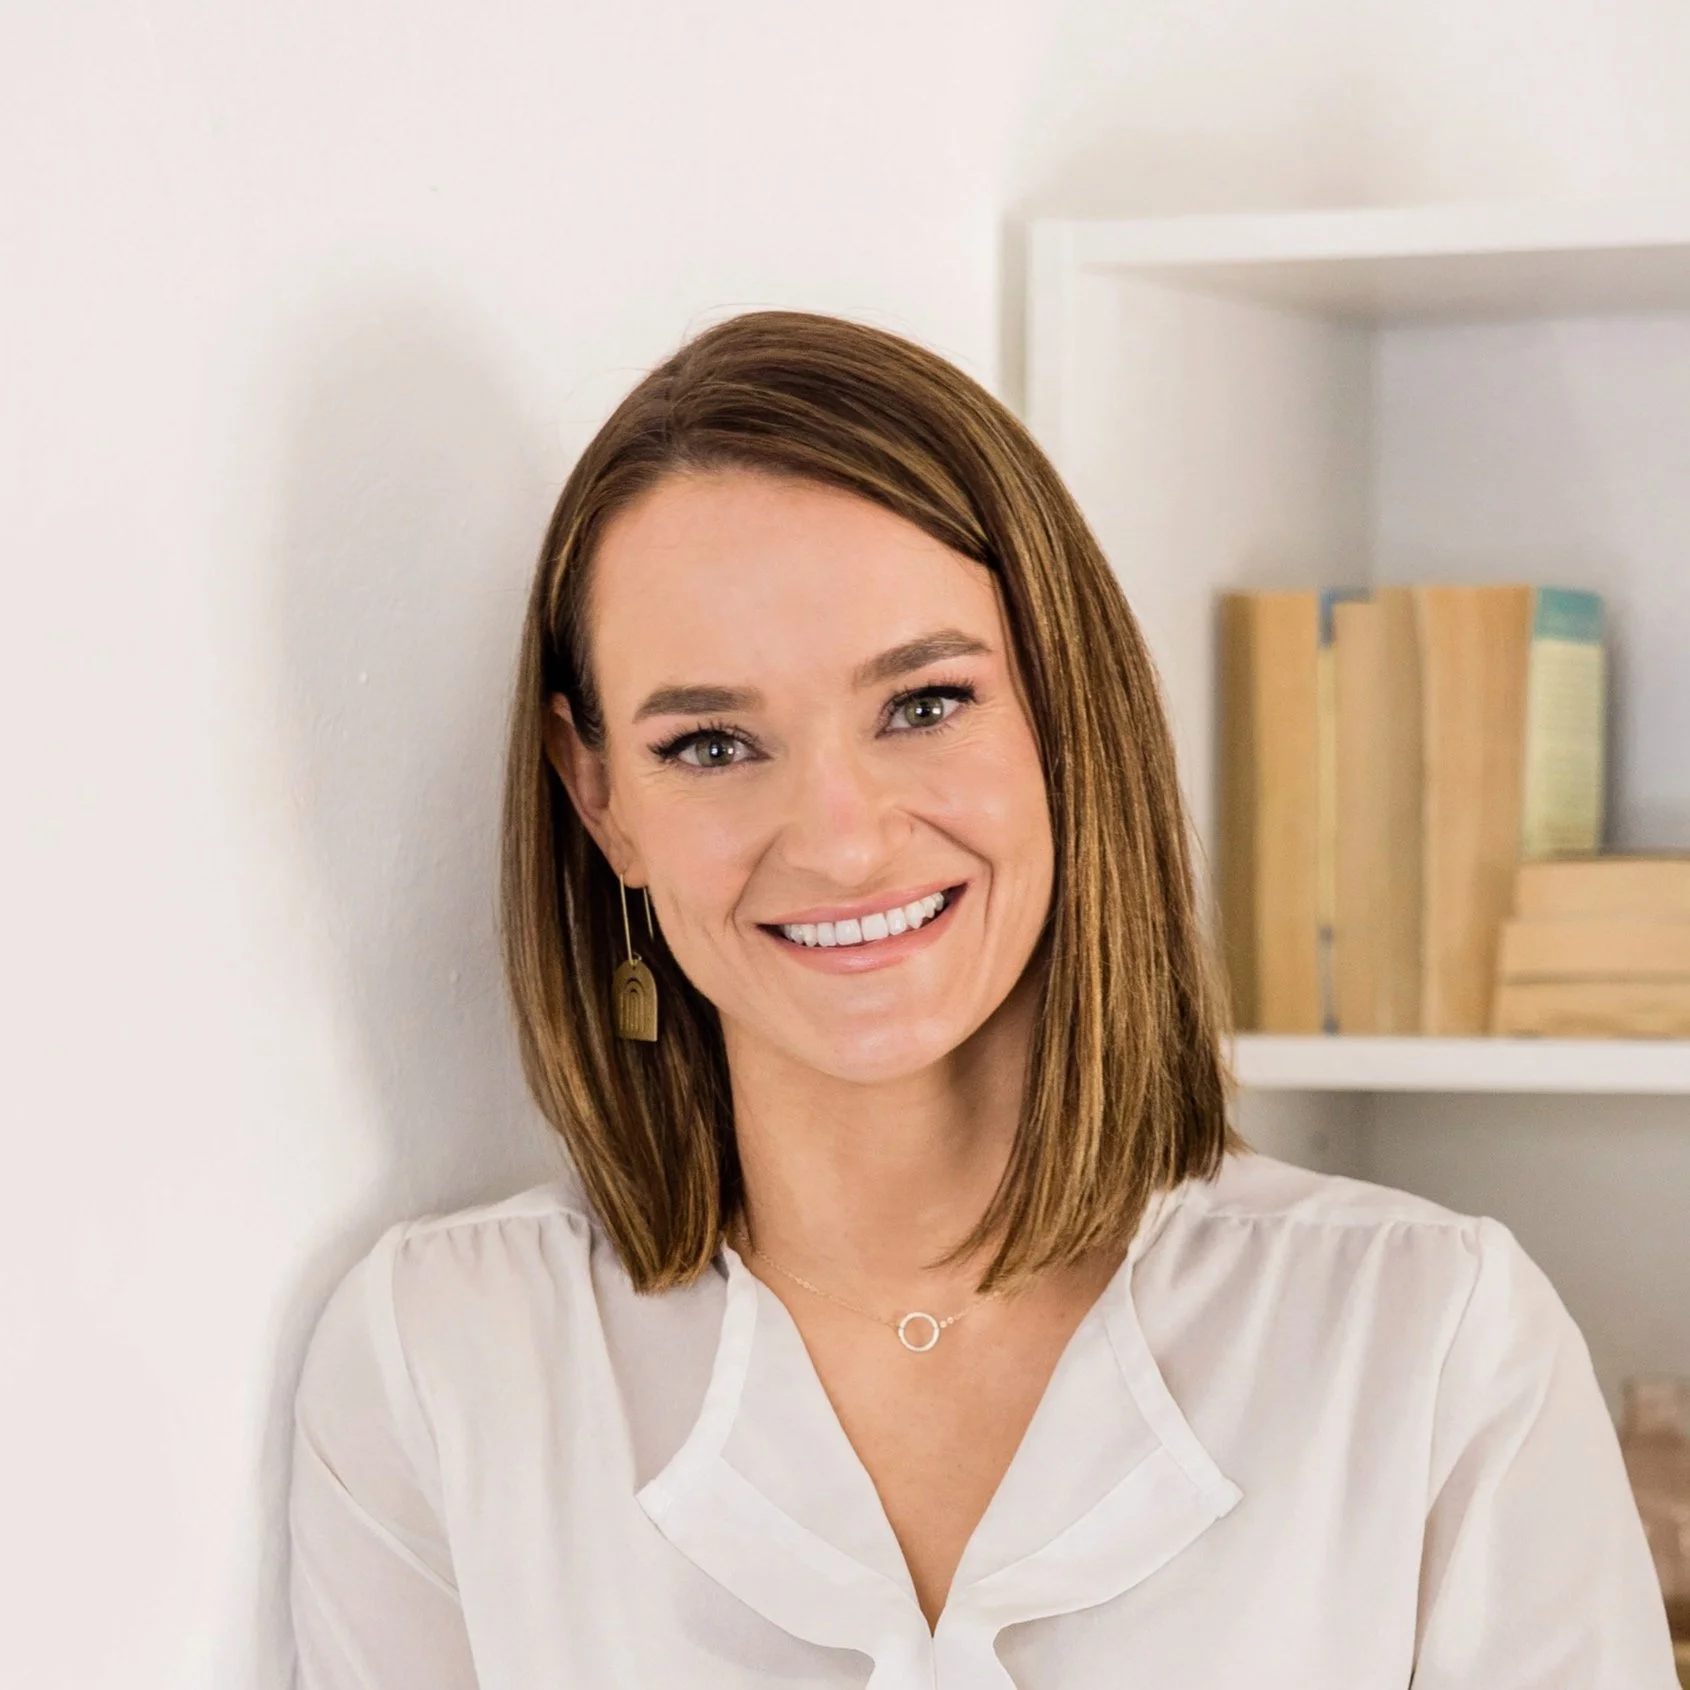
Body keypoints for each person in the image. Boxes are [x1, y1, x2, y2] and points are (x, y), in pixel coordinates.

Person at [288, 311, 1679, 1689]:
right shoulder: (443, 1359)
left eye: (922, 703)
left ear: (1064, 708)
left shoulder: (1431, 1341)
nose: (837, 837)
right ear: (599, 797)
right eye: (708, 742)